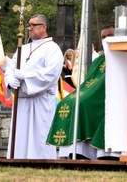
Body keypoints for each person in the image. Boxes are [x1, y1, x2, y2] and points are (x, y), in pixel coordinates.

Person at [47, 25, 116, 160]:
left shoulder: (122, 57)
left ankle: (83, 151)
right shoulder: (98, 61)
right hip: (93, 94)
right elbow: (89, 83)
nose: (106, 40)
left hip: (106, 97)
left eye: (110, 36)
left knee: (82, 104)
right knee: (66, 103)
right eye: (103, 37)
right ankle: (74, 151)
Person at [3, 14, 64, 159]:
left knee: (38, 137)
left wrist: (25, 76)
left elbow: (51, 74)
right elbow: (10, 68)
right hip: (22, 101)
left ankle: (40, 163)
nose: (29, 28)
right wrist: (10, 80)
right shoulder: (22, 48)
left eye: (33, 25)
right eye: (28, 25)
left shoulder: (52, 49)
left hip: (40, 102)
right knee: (20, 136)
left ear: (44, 27)